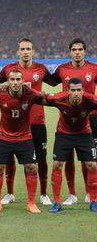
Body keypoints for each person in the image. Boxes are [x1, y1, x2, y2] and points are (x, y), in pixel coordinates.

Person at [0, 38, 53, 206]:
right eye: (23, 49)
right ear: (18, 52)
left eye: (28, 49)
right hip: (15, 123)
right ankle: (10, 193)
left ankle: (43, 194)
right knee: (8, 158)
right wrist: (1, 86)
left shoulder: (41, 69)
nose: (25, 52)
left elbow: (55, 82)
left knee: (40, 158)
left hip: (37, 121)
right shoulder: (8, 69)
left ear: (33, 52)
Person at [0, 69, 43, 213]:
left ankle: (31, 203)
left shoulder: (30, 94)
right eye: (12, 80)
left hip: (25, 138)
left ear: (23, 81)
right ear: (8, 81)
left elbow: (46, 98)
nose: (15, 83)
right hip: (4, 138)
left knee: (31, 167)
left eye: (18, 80)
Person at [52, 38, 97, 205]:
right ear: (70, 52)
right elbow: (51, 82)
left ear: (85, 51)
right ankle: (72, 194)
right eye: (74, 49)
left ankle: (89, 192)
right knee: (67, 157)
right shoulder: (62, 69)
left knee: (90, 159)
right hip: (68, 116)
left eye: (80, 49)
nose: (77, 52)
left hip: (92, 117)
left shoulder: (94, 68)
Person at [46, 78, 97, 212]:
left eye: (78, 90)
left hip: (84, 134)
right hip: (64, 134)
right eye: (73, 90)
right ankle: (57, 202)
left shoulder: (91, 100)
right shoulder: (59, 98)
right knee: (57, 164)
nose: (75, 93)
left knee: (92, 164)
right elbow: (40, 97)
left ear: (83, 91)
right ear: (67, 91)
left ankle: (94, 201)